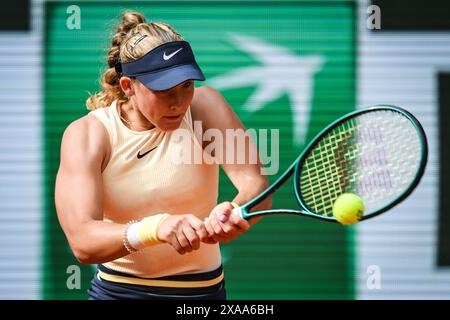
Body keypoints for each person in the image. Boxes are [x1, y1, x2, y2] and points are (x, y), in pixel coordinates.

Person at [54, 11, 271, 300]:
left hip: (203, 296)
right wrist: (156, 228)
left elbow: (255, 184)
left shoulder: (206, 107)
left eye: (186, 85)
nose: (179, 102)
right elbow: (83, 241)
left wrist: (234, 209)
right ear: (129, 86)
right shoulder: (88, 134)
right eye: (164, 90)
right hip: (119, 293)